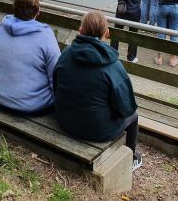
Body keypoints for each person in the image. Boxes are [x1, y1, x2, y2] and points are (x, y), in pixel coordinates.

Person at [54, 11, 142, 172]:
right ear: (107, 33)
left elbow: (56, 86)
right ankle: (132, 158)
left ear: (81, 31)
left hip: (64, 120)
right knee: (134, 114)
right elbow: (127, 107)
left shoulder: (66, 54)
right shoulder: (113, 66)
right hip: (97, 130)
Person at [0, 0, 60, 114]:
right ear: (38, 11)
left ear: (14, 8)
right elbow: (56, 75)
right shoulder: (45, 34)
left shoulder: (2, 26)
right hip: (28, 106)